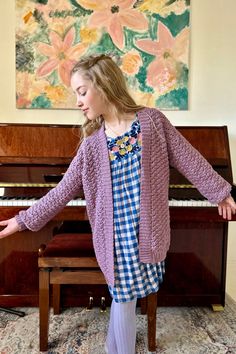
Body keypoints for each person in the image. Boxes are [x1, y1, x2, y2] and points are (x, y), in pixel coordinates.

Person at [0, 54, 235, 354]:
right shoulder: (92, 143)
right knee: (124, 299)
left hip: (147, 235)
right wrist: (22, 220)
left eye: (82, 92)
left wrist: (220, 192)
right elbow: (62, 192)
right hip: (114, 240)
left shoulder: (152, 122)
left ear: (105, 84)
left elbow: (189, 158)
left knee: (126, 300)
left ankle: (115, 347)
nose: (78, 101)